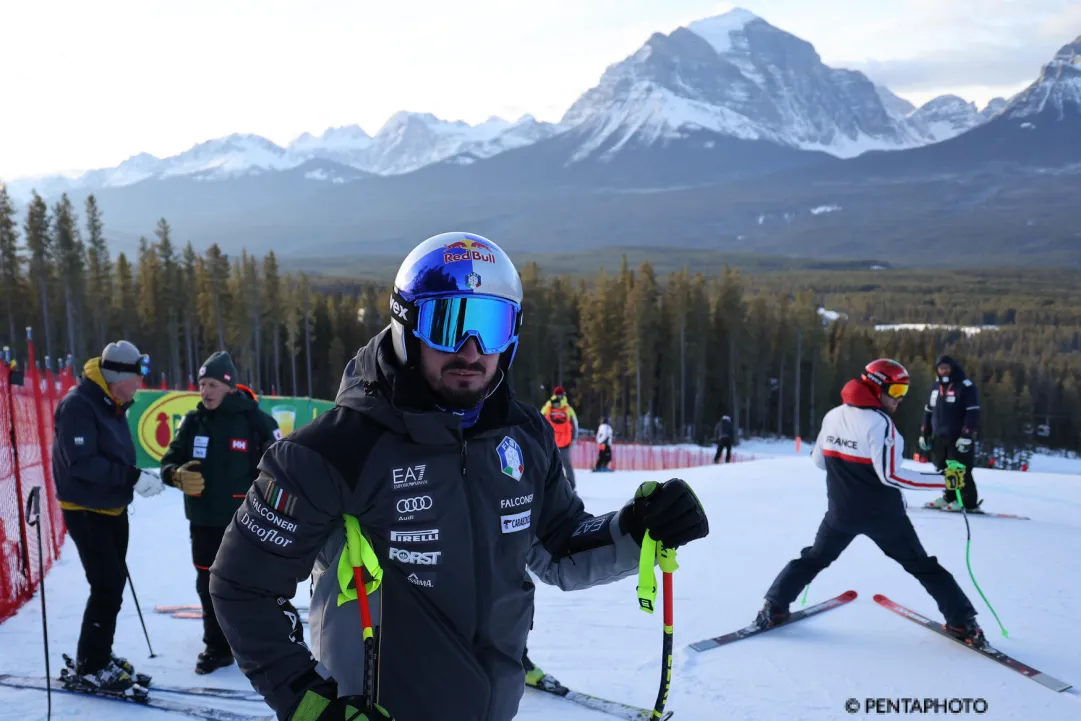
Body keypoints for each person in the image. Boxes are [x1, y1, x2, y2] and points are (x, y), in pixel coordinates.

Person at [209, 232, 710, 721]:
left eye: (491, 326)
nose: (471, 351)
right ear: (407, 327)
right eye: (448, 324)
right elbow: (241, 585)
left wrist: (640, 528)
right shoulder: (335, 449)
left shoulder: (524, 435)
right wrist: (310, 704)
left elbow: (559, 546)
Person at [754, 359, 985, 647]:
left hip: (840, 514)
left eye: (904, 391)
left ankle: (773, 607)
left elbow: (818, 461)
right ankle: (963, 624)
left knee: (813, 558)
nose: (899, 399)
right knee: (923, 566)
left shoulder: (833, 415)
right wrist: (945, 481)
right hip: (884, 518)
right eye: (896, 390)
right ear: (876, 388)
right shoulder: (881, 424)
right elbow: (893, 476)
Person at [161, 351, 291, 674]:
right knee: (207, 583)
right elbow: (168, 462)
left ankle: (257, 642)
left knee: (250, 583)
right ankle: (217, 646)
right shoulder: (192, 422)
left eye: (212, 384)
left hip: (246, 523)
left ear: (229, 386)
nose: (205, 391)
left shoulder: (254, 420)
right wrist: (175, 475)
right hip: (204, 521)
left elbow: (284, 466)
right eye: (202, 384)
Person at [52, 341, 165, 690]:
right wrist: (131, 477)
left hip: (112, 507)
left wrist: (131, 479)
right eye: (138, 376)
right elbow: (82, 462)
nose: (141, 383)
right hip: (87, 510)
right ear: (119, 376)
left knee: (112, 585)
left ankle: (98, 653)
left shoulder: (111, 403)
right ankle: (91, 662)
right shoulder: (79, 405)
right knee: (107, 586)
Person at [920, 355, 981, 511]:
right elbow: (928, 410)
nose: (944, 371)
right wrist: (925, 431)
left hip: (958, 436)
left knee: (960, 468)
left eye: (946, 368)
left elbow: (972, 412)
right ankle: (950, 497)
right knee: (945, 467)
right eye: (941, 368)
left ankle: (968, 502)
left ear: (953, 368)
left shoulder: (965, 386)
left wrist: (967, 435)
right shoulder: (936, 387)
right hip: (940, 435)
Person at [541, 385, 578, 488]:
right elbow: (575, 424)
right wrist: (574, 439)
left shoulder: (547, 407)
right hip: (565, 442)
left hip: (550, 442)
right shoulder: (567, 408)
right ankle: (571, 486)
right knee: (567, 465)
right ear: (564, 395)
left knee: (548, 465)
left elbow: (539, 421)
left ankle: (547, 487)